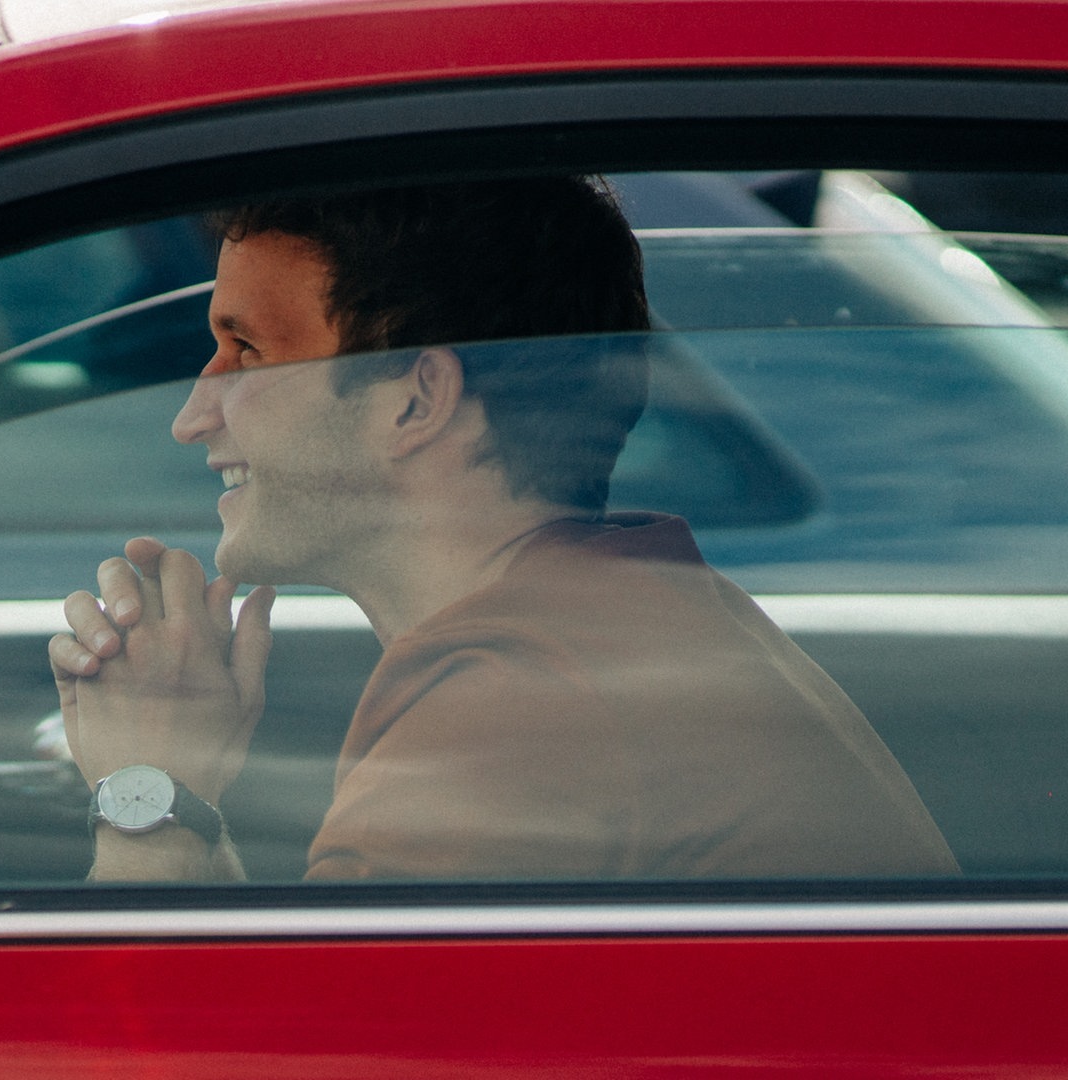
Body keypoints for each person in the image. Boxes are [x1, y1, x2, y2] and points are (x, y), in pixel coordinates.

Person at [49, 177, 958, 882]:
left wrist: (144, 801)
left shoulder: (517, 706)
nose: (194, 417)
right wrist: (179, 790)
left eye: (248, 351)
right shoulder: (609, 633)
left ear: (417, 399)